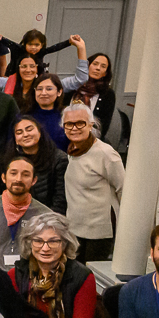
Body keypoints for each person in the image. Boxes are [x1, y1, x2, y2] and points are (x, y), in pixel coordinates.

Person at [8, 212, 96, 318]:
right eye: (38, 240)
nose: (45, 247)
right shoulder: (16, 275)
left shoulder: (82, 276)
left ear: (65, 243)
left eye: (53, 241)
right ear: (29, 243)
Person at [62, 102, 125, 261]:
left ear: (91, 125)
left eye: (80, 123)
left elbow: (124, 190)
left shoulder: (106, 154)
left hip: (99, 233)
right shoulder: (73, 149)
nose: (74, 128)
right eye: (69, 124)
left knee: (93, 279)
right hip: (75, 228)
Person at [0, 156, 51, 269]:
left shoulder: (45, 214)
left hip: (29, 278)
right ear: (3, 178)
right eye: (13, 173)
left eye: (25, 174)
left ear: (34, 180)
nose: (18, 179)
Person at [0, 114, 68, 215]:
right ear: (15, 139)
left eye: (29, 129)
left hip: (47, 218)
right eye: (19, 132)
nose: (25, 134)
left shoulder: (59, 159)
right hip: (11, 216)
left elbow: (60, 200)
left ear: (39, 131)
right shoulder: (6, 160)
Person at [75, 53, 117, 135]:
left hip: (92, 139)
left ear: (105, 73)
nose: (98, 68)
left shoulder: (108, 94)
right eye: (95, 64)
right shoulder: (73, 87)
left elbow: (104, 127)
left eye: (103, 66)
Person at [28, 72, 71, 149]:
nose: (43, 93)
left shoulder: (67, 116)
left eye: (49, 89)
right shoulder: (25, 116)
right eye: (39, 89)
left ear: (59, 92)